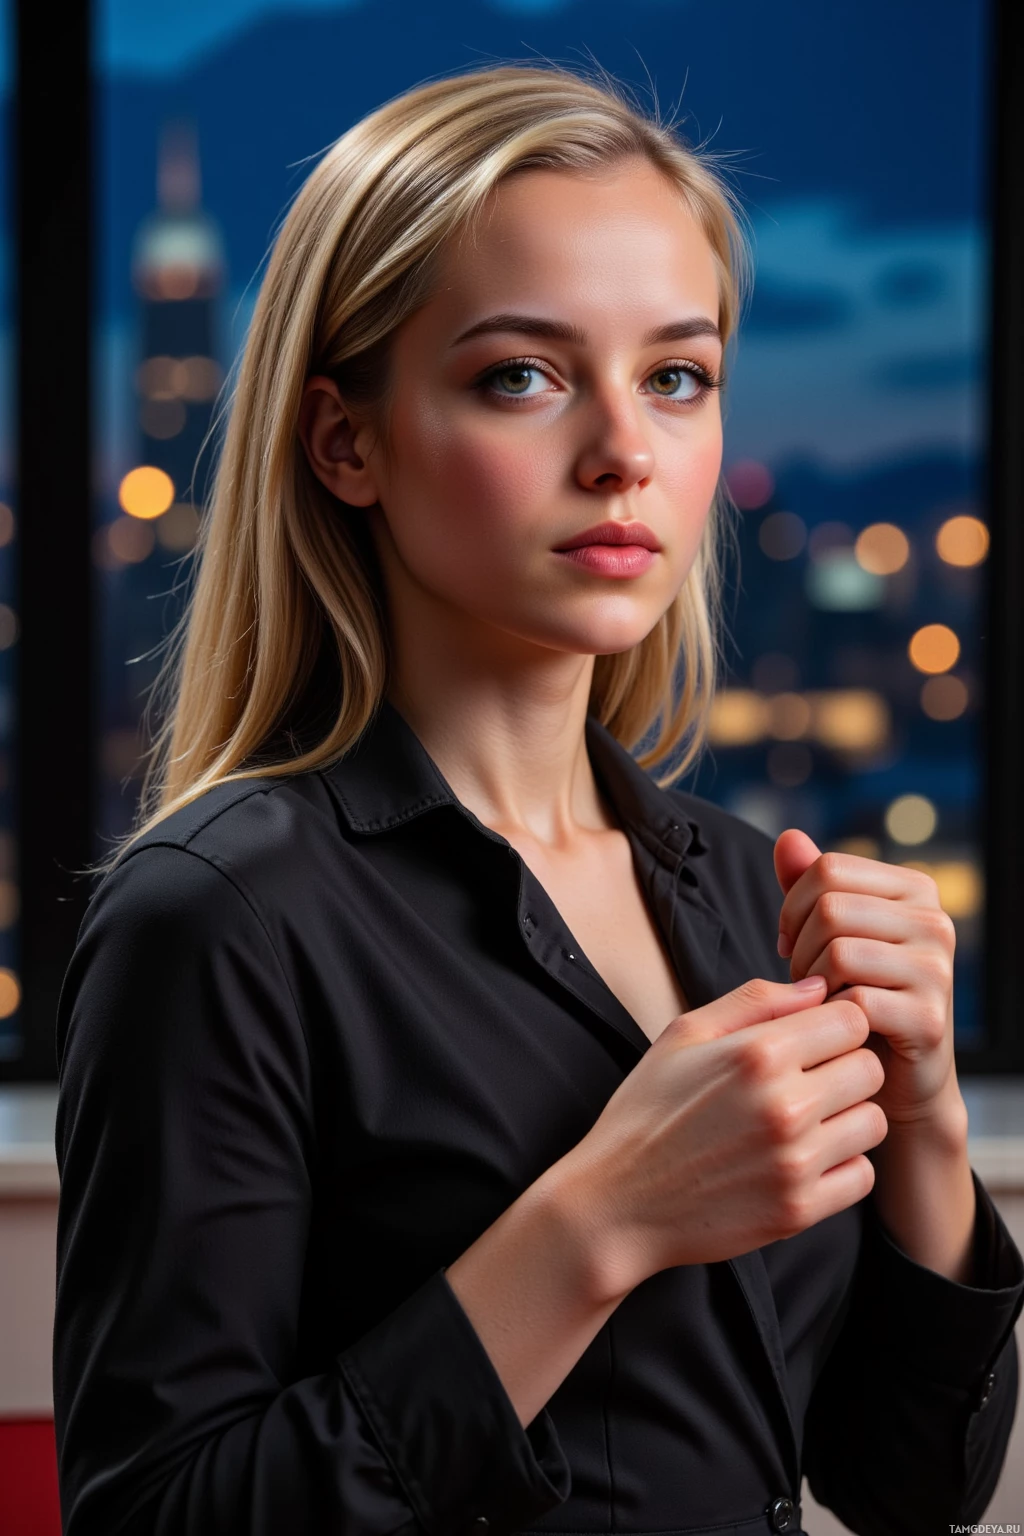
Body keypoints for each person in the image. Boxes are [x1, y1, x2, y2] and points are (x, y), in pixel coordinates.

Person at [53, 60, 1023, 1536]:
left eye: (676, 378)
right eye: (523, 375)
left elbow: (909, 1490)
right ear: (346, 442)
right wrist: (596, 1224)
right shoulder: (219, 917)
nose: (625, 452)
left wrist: (928, 1115)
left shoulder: (755, 891)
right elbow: (159, 1517)